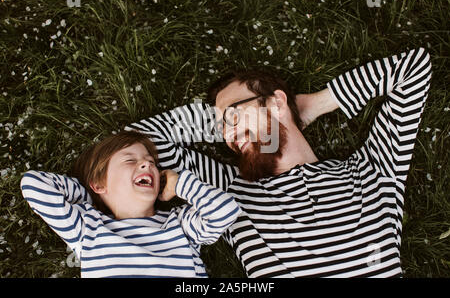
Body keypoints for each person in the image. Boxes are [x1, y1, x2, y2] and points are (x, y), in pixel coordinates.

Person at [125, 47, 432, 277]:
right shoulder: (231, 191)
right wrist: (231, 122)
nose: (228, 135)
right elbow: (137, 141)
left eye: (232, 115)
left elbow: (413, 69)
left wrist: (312, 105)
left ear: (277, 101)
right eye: (221, 128)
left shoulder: (373, 170)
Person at [20, 130, 241, 278]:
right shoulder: (88, 227)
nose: (146, 163)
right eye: (130, 160)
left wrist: (180, 184)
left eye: (152, 162)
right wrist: (89, 194)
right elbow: (33, 184)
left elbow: (225, 211)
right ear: (98, 183)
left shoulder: (179, 223)